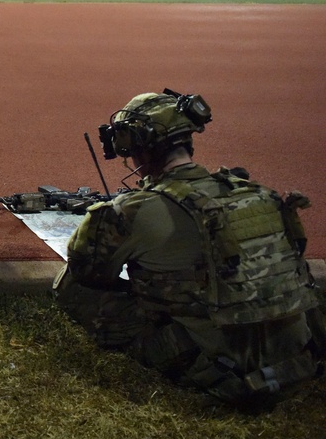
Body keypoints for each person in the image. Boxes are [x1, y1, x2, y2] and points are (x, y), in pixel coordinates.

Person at [53, 89, 325, 410]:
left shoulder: (132, 210)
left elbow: (89, 271)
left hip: (228, 370)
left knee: (72, 286)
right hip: (296, 353)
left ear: (139, 148)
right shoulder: (258, 194)